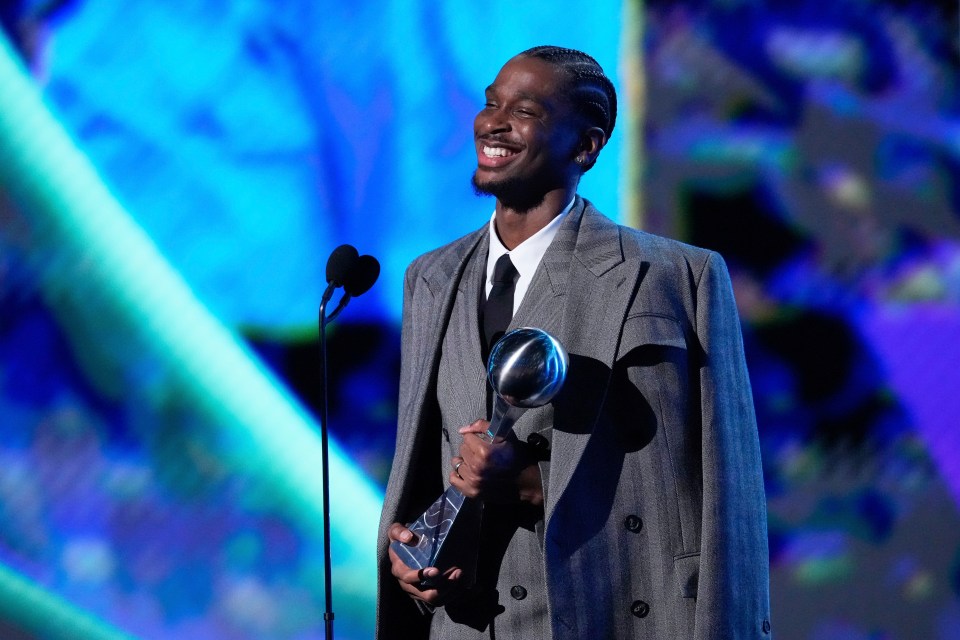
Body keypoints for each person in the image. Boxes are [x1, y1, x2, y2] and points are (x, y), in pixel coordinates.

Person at [377, 45, 771, 639]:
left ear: (585, 146)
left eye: (526, 111)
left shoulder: (674, 276)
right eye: (491, 104)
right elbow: (426, 465)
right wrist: (416, 553)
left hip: (611, 613)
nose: (494, 122)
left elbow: (725, 494)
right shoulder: (430, 278)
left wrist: (529, 482)